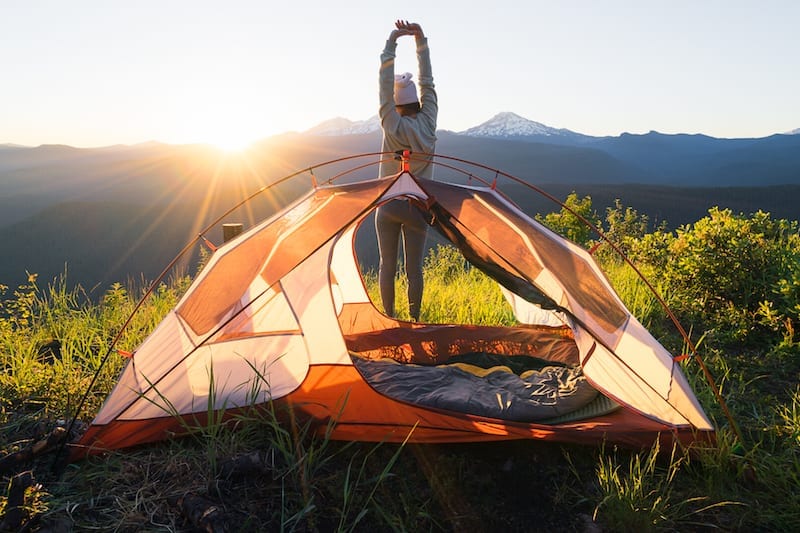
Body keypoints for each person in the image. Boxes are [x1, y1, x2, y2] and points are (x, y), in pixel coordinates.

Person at [375, 20, 438, 322]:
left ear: (396, 105)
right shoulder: (428, 123)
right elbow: (428, 82)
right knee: (415, 269)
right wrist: (419, 39)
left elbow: (384, 88)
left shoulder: (391, 124)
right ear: (418, 101)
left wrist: (392, 42)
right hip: (418, 207)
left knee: (388, 265)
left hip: (388, 205)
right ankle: (415, 321)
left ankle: (390, 320)